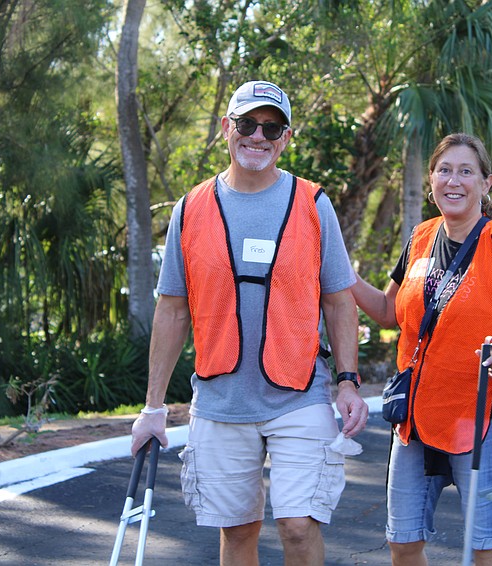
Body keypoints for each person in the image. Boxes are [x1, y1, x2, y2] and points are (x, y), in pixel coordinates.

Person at [130, 80, 369, 566]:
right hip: (221, 401)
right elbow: (172, 310)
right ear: (227, 128)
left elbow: (339, 302)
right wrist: (153, 408)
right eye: (247, 124)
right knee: (237, 531)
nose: (258, 136)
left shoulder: (312, 203)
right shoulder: (190, 208)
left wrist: (348, 382)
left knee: (298, 527)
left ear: (286, 138)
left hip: (299, 395)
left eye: (272, 128)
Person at [352, 133, 492, 565]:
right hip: (416, 416)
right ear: (431, 180)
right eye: (444, 170)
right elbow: (388, 311)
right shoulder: (421, 237)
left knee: (486, 546)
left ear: (486, 182)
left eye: (466, 171)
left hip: (482, 416)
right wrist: (341, 274)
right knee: (402, 541)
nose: (453, 181)